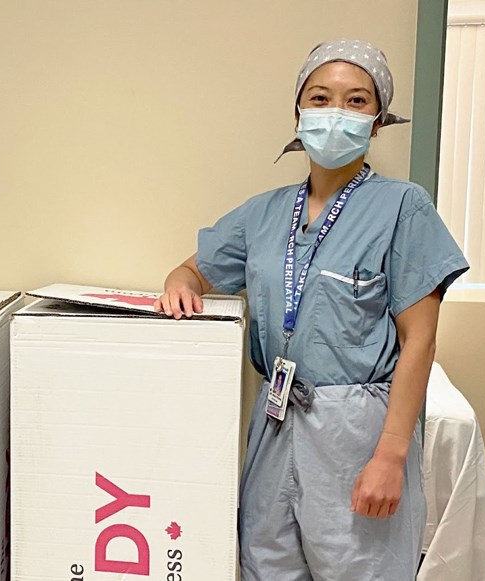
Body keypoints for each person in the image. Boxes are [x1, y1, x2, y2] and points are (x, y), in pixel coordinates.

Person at [154, 39, 468, 580]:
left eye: (356, 101)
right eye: (320, 99)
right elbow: (192, 269)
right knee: (265, 563)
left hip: (359, 431)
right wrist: (179, 282)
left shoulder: (403, 206)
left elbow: (420, 340)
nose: (334, 113)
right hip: (276, 421)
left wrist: (391, 455)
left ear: (377, 121)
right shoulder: (264, 213)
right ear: (298, 113)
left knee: (360, 567)